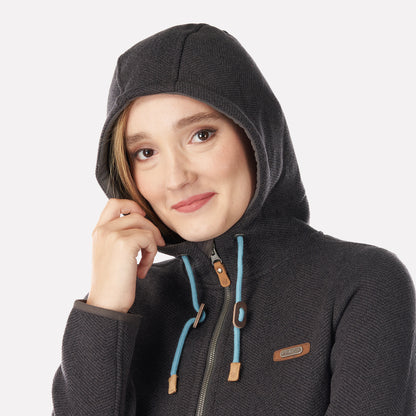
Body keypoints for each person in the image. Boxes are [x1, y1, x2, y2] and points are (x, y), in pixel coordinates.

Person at [52, 23, 416, 415]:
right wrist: (103, 310)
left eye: (201, 135)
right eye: (146, 152)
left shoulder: (361, 283)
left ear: (254, 135)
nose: (176, 179)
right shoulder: (130, 309)